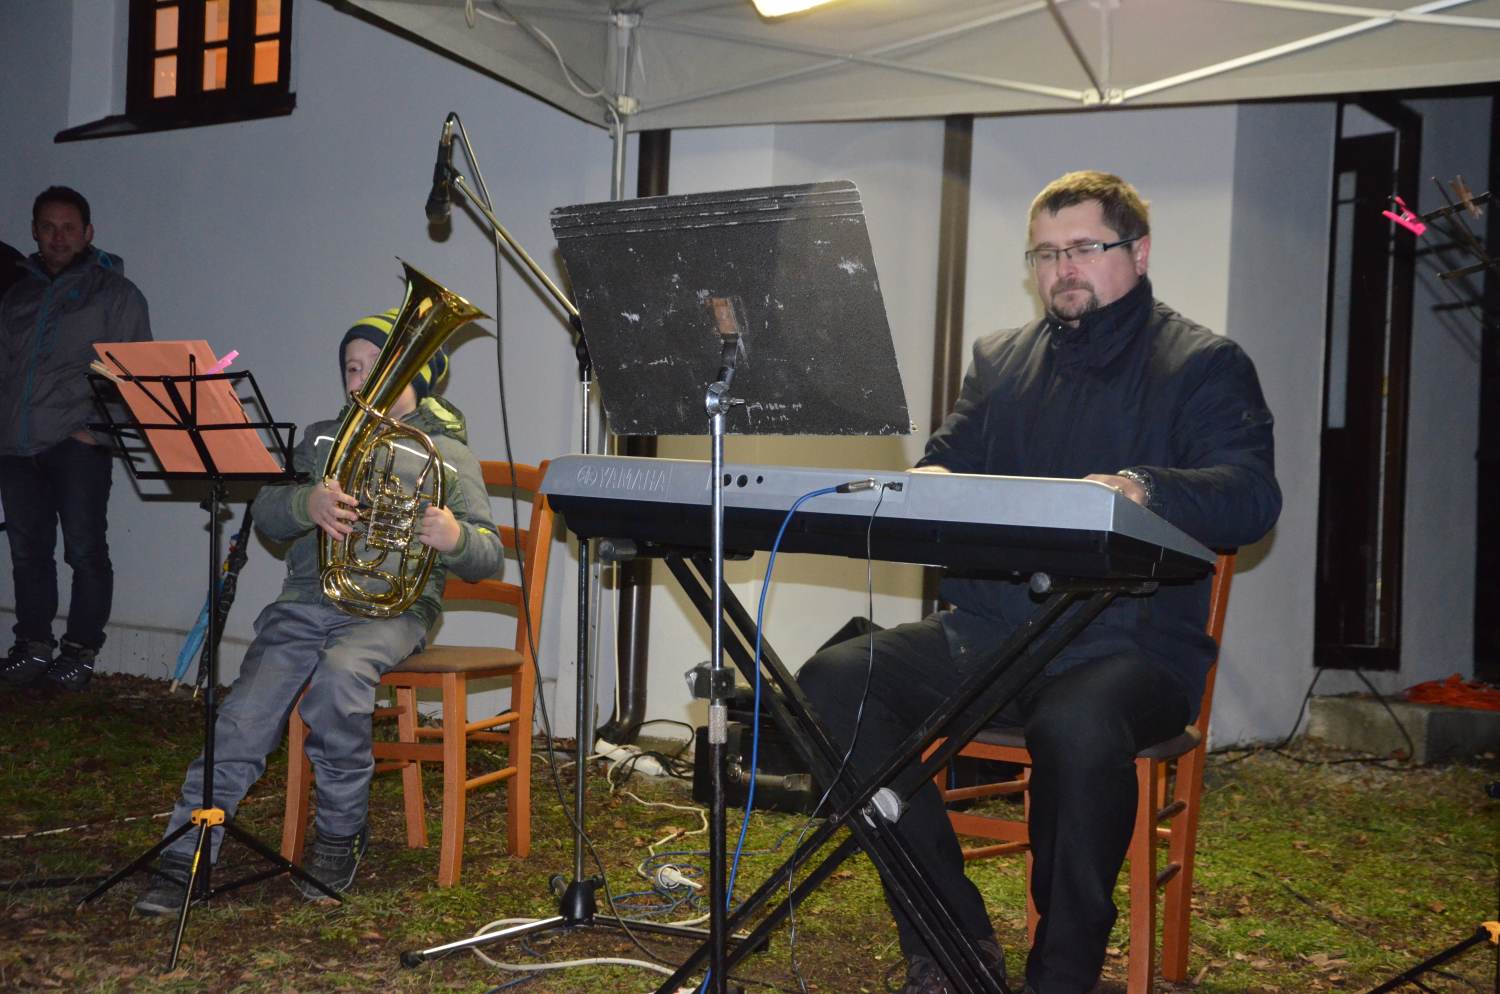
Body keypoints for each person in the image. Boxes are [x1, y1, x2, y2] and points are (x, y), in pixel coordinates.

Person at [796, 171, 1281, 994]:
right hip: (991, 633)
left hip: (1130, 648)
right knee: (836, 680)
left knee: (1078, 723)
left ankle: (1062, 975)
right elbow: (946, 461)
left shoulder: (1204, 364)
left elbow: (1250, 495)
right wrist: (928, 480)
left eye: (1084, 248)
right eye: (1047, 254)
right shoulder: (1000, 362)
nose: (1063, 269)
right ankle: (950, 941)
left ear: (1139, 252)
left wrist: (1145, 487)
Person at [134, 311, 503, 912]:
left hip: (393, 612)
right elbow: (269, 512)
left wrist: (455, 536)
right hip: (307, 601)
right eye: (351, 369)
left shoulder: (449, 454)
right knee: (244, 715)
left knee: (340, 677)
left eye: (374, 366)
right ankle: (190, 844)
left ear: (413, 373)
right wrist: (307, 503)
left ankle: (339, 831)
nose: (360, 379)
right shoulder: (321, 439)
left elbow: (488, 555)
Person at [0, 187, 153, 692]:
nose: (58, 237)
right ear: (35, 232)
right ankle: (32, 646)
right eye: (48, 227)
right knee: (27, 553)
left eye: (69, 227)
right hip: (16, 446)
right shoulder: (18, 295)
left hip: (75, 444)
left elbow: (135, 373)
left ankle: (80, 652)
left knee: (85, 551)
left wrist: (98, 431)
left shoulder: (116, 294)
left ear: (88, 233)